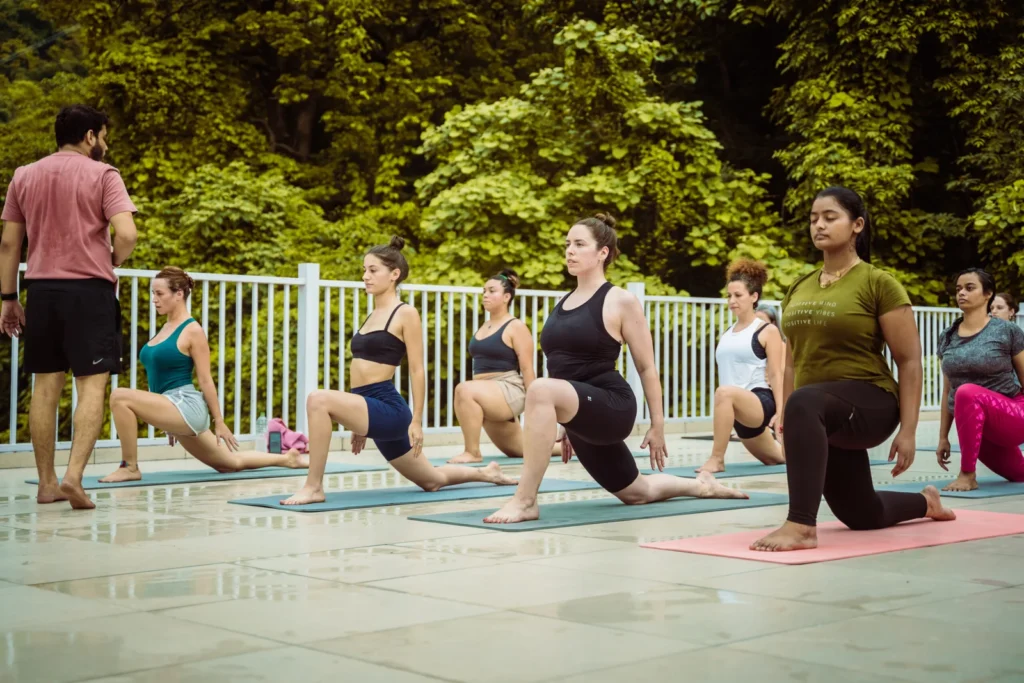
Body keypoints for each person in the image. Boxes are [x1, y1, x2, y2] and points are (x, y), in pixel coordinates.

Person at [484, 214, 747, 524]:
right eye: (568, 244)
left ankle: (525, 501)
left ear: (602, 253)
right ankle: (702, 485)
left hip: (612, 404)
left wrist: (658, 425)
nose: (570, 250)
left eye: (580, 244)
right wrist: (568, 418)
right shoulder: (562, 302)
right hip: (582, 412)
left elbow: (646, 367)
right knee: (637, 492)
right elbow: (562, 369)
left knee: (540, 387)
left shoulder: (620, 301)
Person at [750, 186, 955, 552]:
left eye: (830, 217)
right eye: (814, 219)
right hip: (820, 410)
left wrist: (908, 430)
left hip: (871, 401)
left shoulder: (878, 283)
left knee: (806, 402)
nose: (819, 226)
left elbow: (908, 362)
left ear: (857, 225)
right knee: (861, 513)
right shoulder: (800, 286)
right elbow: (793, 360)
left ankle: (801, 526)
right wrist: (784, 410)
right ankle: (928, 503)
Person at [282, 237, 516, 505]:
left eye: (373, 270)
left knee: (318, 399)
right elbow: (360, 372)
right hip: (370, 406)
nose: (365, 276)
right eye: (364, 270)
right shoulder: (371, 315)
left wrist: (416, 421)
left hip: (390, 410)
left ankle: (313, 487)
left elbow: (417, 370)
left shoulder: (405, 313)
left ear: (394, 274)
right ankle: (486, 473)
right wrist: (358, 422)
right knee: (431, 480)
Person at [0, 105, 138, 509]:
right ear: (90, 136)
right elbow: (127, 232)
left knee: (45, 386)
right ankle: (74, 477)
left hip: (41, 290)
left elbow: (10, 244)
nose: (105, 144)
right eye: (104, 136)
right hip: (89, 291)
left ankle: (47, 484)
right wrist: (112, 258)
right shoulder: (103, 175)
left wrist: (9, 299)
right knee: (91, 385)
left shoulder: (24, 175)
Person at [97, 267, 309, 482]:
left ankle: (130, 466)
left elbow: (205, 379)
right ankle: (288, 459)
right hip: (173, 406)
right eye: (153, 293)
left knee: (119, 396)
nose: (154, 299)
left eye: (159, 294)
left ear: (179, 294)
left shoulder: (192, 330)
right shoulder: (166, 327)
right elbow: (159, 376)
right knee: (229, 464)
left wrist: (219, 421)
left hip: (186, 405)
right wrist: (167, 420)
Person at [449, 269, 560, 463]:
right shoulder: (484, 326)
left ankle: (472, 452)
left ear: (506, 297)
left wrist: (535, 405)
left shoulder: (515, 326)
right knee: (520, 450)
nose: (485, 295)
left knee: (463, 389)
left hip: (509, 389)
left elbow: (527, 369)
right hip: (487, 394)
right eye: (484, 291)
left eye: (492, 291)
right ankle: (575, 446)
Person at [936, 269, 1024, 491]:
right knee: (1020, 475)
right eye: (958, 289)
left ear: (988, 294)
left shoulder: (1007, 330)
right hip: (980, 426)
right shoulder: (947, 336)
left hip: (1014, 415)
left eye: (969, 288)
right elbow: (949, 391)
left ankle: (967, 475)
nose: (961, 293)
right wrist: (943, 437)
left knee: (966, 392)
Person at [698, 259, 785, 473]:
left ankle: (717, 459)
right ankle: (817, 452)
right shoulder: (727, 333)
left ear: (754, 297)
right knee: (778, 459)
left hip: (760, 402)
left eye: (738, 295)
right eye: (729, 296)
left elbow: (776, 373)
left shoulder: (766, 330)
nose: (731, 301)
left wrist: (782, 411)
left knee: (724, 393)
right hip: (739, 414)